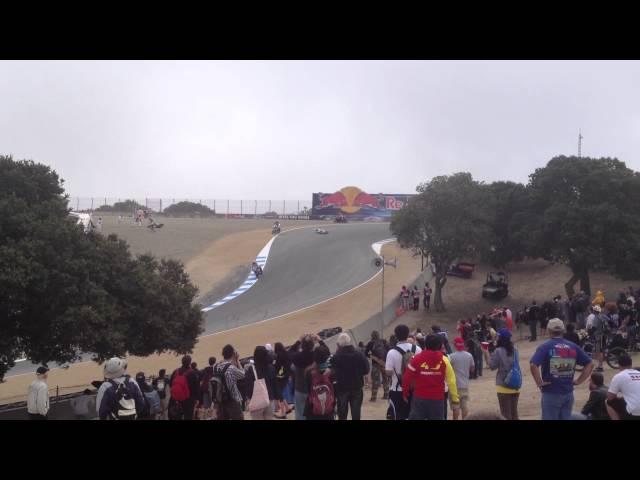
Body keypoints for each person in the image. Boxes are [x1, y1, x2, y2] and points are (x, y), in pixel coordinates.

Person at [530, 318, 594, 420]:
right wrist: (579, 381)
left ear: (549, 330)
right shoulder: (573, 346)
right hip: (568, 393)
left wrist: (539, 382)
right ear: (563, 330)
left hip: (551, 392)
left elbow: (533, 365)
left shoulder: (545, 347)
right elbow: (590, 363)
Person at [402, 334, 459, 420]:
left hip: (419, 399)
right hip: (437, 400)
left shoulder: (416, 359)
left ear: (425, 344)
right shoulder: (445, 360)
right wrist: (455, 398)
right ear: (439, 346)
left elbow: (407, 377)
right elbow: (451, 381)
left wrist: (405, 393)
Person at [385, 324, 422, 420]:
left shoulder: (392, 352)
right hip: (415, 389)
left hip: (398, 389)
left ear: (396, 336)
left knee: (398, 416)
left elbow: (388, 372)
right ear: (408, 334)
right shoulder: (418, 349)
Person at [331, 333, 370, 420]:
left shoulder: (336, 357)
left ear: (339, 344)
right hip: (357, 386)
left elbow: (332, 374)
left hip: (342, 388)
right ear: (350, 342)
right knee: (356, 413)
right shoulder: (359, 354)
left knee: (342, 413)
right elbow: (366, 370)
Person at [486, 329, 520, 420]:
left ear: (501, 338)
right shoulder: (515, 350)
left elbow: (492, 366)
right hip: (515, 384)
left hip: (503, 386)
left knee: (505, 415)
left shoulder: (498, 351)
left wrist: (486, 352)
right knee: (514, 414)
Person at [212, 344, 246, 420]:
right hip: (232, 399)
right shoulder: (231, 368)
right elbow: (243, 375)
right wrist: (237, 360)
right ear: (233, 354)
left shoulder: (215, 366)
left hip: (220, 400)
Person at [245, 346, 279, 420]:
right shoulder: (271, 367)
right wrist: (277, 399)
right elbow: (275, 385)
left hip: (257, 401)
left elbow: (248, 387)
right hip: (270, 399)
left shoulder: (251, 370)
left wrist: (248, 399)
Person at [304, 345, 335, 420]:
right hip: (329, 409)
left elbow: (307, 390)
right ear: (326, 357)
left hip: (312, 408)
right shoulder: (332, 371)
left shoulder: (309, 371)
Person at [606, 353, 640, 420]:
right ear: (631, 364)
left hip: (634, 411)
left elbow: (610, 397)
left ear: (619, 365)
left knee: (607, 402)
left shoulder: (619, 376)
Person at [291, 334, 316, 420]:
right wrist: (319, 340)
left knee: (300, 413)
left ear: (302, 345)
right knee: (314, 411)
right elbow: (326, 351)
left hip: (300, 388)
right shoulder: (316, 355)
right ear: (312, 345)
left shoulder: (297, 356)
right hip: (313, 388)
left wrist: (298, 341)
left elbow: (289, 353)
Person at [449, 337, 475, 419]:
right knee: (464, 405)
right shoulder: (469, 355)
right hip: (465, 384)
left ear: (455, 345)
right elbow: (472, 368)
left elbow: (449, 370)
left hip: (454, 385)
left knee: (455, 406)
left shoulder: (451, 356)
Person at [169, 355, 200, 420]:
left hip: (176, 398)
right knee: (188, 416)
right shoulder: (193, 373)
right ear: (190, 362)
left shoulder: (175, 371)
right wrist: (197, 399)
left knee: (177, 415)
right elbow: (197, 387)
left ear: (181, 362)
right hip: (189, 399)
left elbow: (171, 384)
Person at [365, 330, 389, 402]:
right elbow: (388, 351)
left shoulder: (370, 343)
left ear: (372, 336)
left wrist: (372, 356)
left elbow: (366, 353)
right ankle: (386, 395)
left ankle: (373, 397)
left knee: (375, 380)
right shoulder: (384, 341)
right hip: (384, 363)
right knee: (385, 379)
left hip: (375, 363)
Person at [274, 342, 293, 418]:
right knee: (280, 392)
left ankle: (283, 412)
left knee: (279, 393)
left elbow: (277, 366)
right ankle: (287, 408)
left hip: (280, 375)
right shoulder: (286, 353)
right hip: (287, 374)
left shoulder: (279, 355)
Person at [590, 305, 610, 372]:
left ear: (594, 311)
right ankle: (600, 364)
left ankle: (600, 367)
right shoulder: (603, 315)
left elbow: (594, 328)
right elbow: (609, 320)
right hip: (604, 335)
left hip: (599, 336)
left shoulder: (596, 318)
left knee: (599, 351)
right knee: (602, 350)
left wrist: (589, 333)